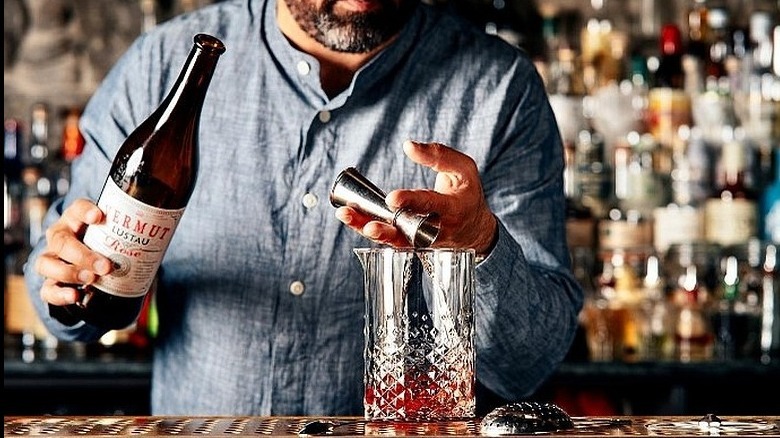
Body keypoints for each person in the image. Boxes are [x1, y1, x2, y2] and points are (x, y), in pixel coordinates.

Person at [24, 0, 583, 416]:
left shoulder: (501, 88)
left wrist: (480, 247)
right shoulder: (160, 65)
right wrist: (69, 286)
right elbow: (62, 289)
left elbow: (527, 363)